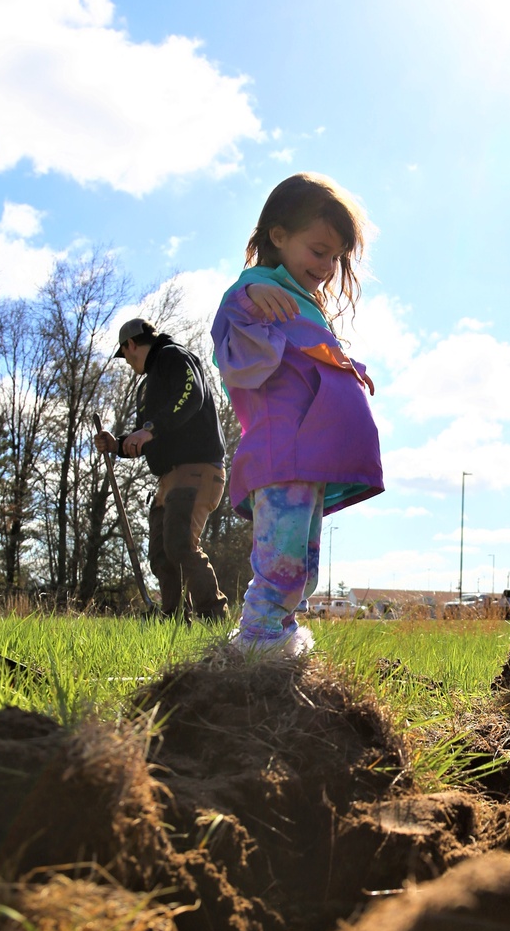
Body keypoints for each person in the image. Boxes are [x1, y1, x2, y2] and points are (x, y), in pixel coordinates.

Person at [210, 172, 383, 655]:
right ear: (279, 236)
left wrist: (347, 371)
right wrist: (245, 293)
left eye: (335, 257)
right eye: (318, 250)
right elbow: (230, 324)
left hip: (307, 457)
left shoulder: (302, 301)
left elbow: (304, 352)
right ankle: (259, 643)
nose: (327, 265)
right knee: (281, 561)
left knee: (301, 565)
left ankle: (274, 635)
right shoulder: (260, 290)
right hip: (283, 451)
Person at [95, 318, 229, 623]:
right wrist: (116, 444)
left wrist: (151, 428)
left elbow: (190, 395)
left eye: (125, 354)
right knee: (160, 552)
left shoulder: (173, 356)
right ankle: (174, 618)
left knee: (180, 544)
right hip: (168, 478)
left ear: (130, 345)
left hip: (197, 468)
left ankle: (214, 617)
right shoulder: (149, 384)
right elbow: (144, 437)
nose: (128, 362)